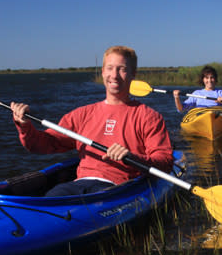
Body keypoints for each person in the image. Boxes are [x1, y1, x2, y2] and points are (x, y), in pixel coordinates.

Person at [10, 46, 174, 197]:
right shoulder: (81, 114)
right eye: (109, 68)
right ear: (102, 72)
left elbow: (165, 162)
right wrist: (25, 126)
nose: (114, 75)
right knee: (51, 197)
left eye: (122, 69)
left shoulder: (148, 116)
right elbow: (41, 145)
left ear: (133, 74)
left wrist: (133, 157)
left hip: (119, 189)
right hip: (80, 184)